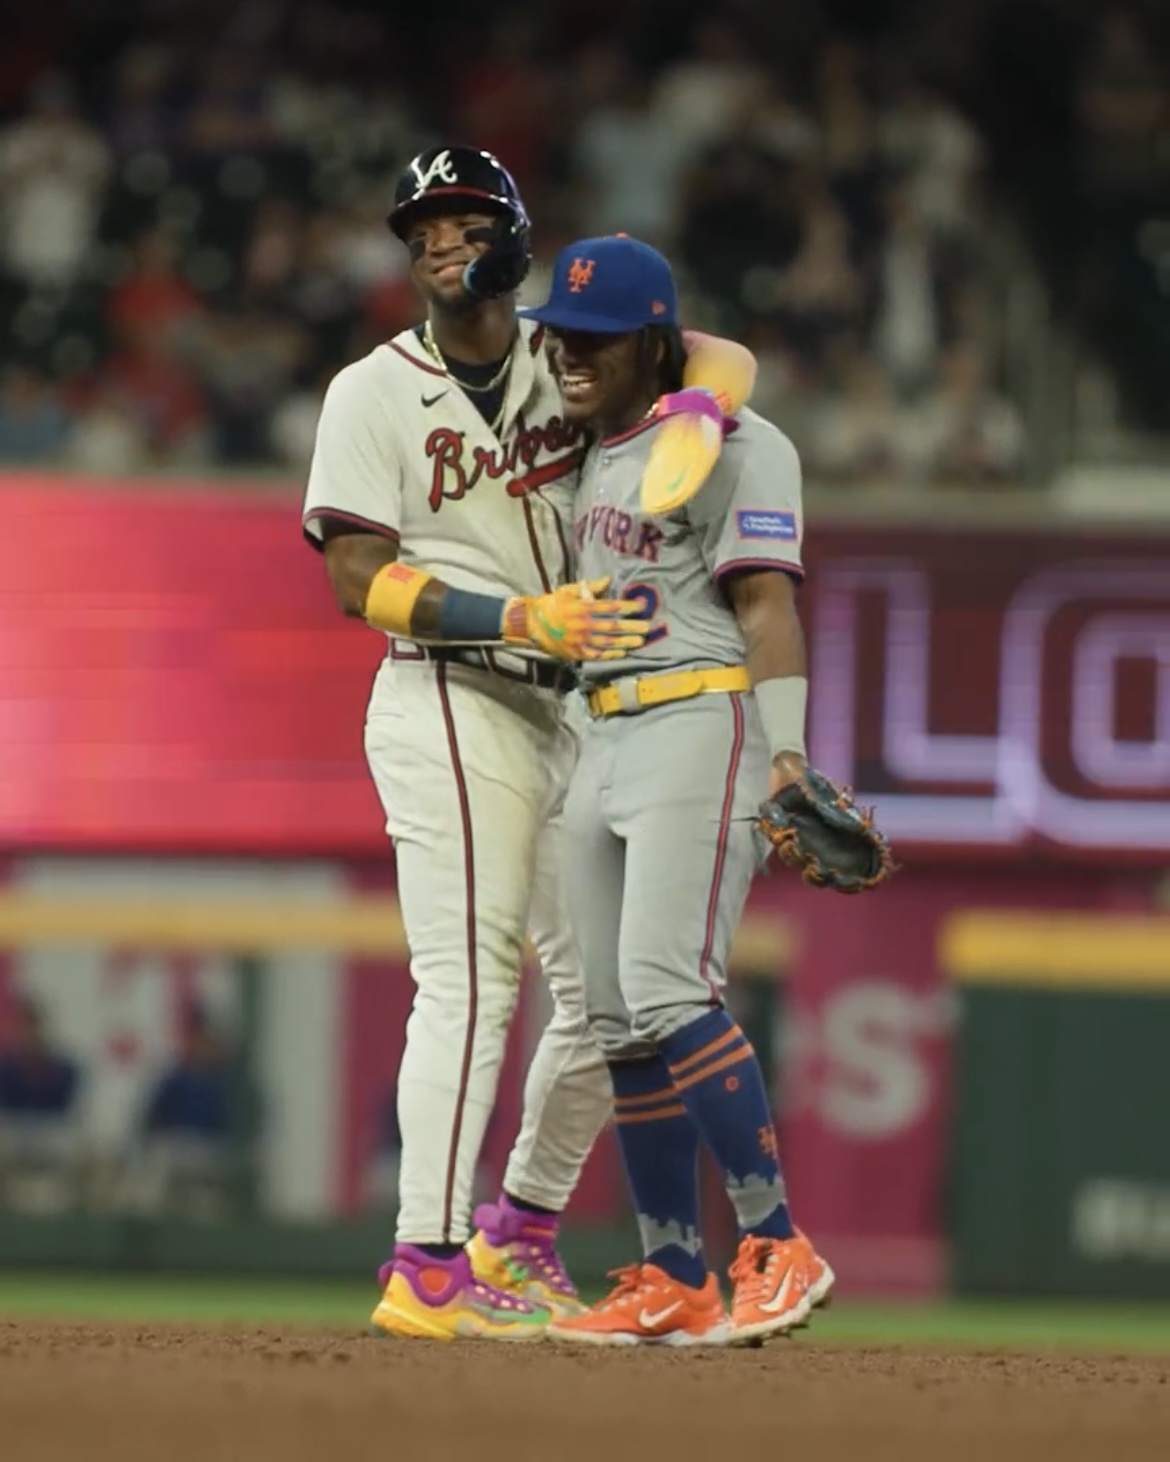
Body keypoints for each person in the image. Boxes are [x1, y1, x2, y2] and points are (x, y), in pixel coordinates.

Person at [302, 146, 756, 1342]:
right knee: (470, 975)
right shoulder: (372, 391)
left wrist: (703, 403)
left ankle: (519, 1231)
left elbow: (717, 355)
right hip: (450, 692)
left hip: (570, 705)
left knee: (611, 993)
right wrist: (512, 616)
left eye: (460, 220)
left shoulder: (570, 367)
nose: (438, 243)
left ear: (512, 234)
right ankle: (428, 1260)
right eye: (421, 230)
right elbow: (357, 580)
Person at [515, 234, 835, 1347]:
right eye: (563, 332)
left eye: (598, 339)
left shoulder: (739, 442)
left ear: (653, 341)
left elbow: (766, 607)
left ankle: (777, 1240)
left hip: (701, 720)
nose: (570, 354)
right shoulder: (599, 448)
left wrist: (788, 754)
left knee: (666, 985)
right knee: (615, 1021)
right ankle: (675, 1272)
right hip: (594, 733)